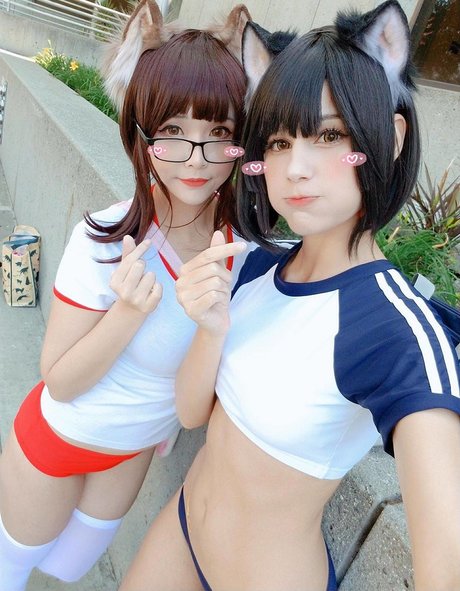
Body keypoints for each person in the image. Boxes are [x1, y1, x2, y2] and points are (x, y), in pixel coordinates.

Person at [119, 1, 460, 590]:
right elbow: (191, 413)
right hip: (181, 531)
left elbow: (446, 564)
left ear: (391, 137)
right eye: (277, 142)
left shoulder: (393, 330)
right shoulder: (254, 266)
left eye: (329, 135)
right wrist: (211, 327)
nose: (295, 168)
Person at [0, 1, 253, 589]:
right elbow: (59, 381)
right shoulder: (106, 239)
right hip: (57, 439)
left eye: (219, 133)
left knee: (67, 569)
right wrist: (128, 313)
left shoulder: (243, 256)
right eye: (173, 132)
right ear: (140, 132)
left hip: (132, 452)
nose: (196, 159)